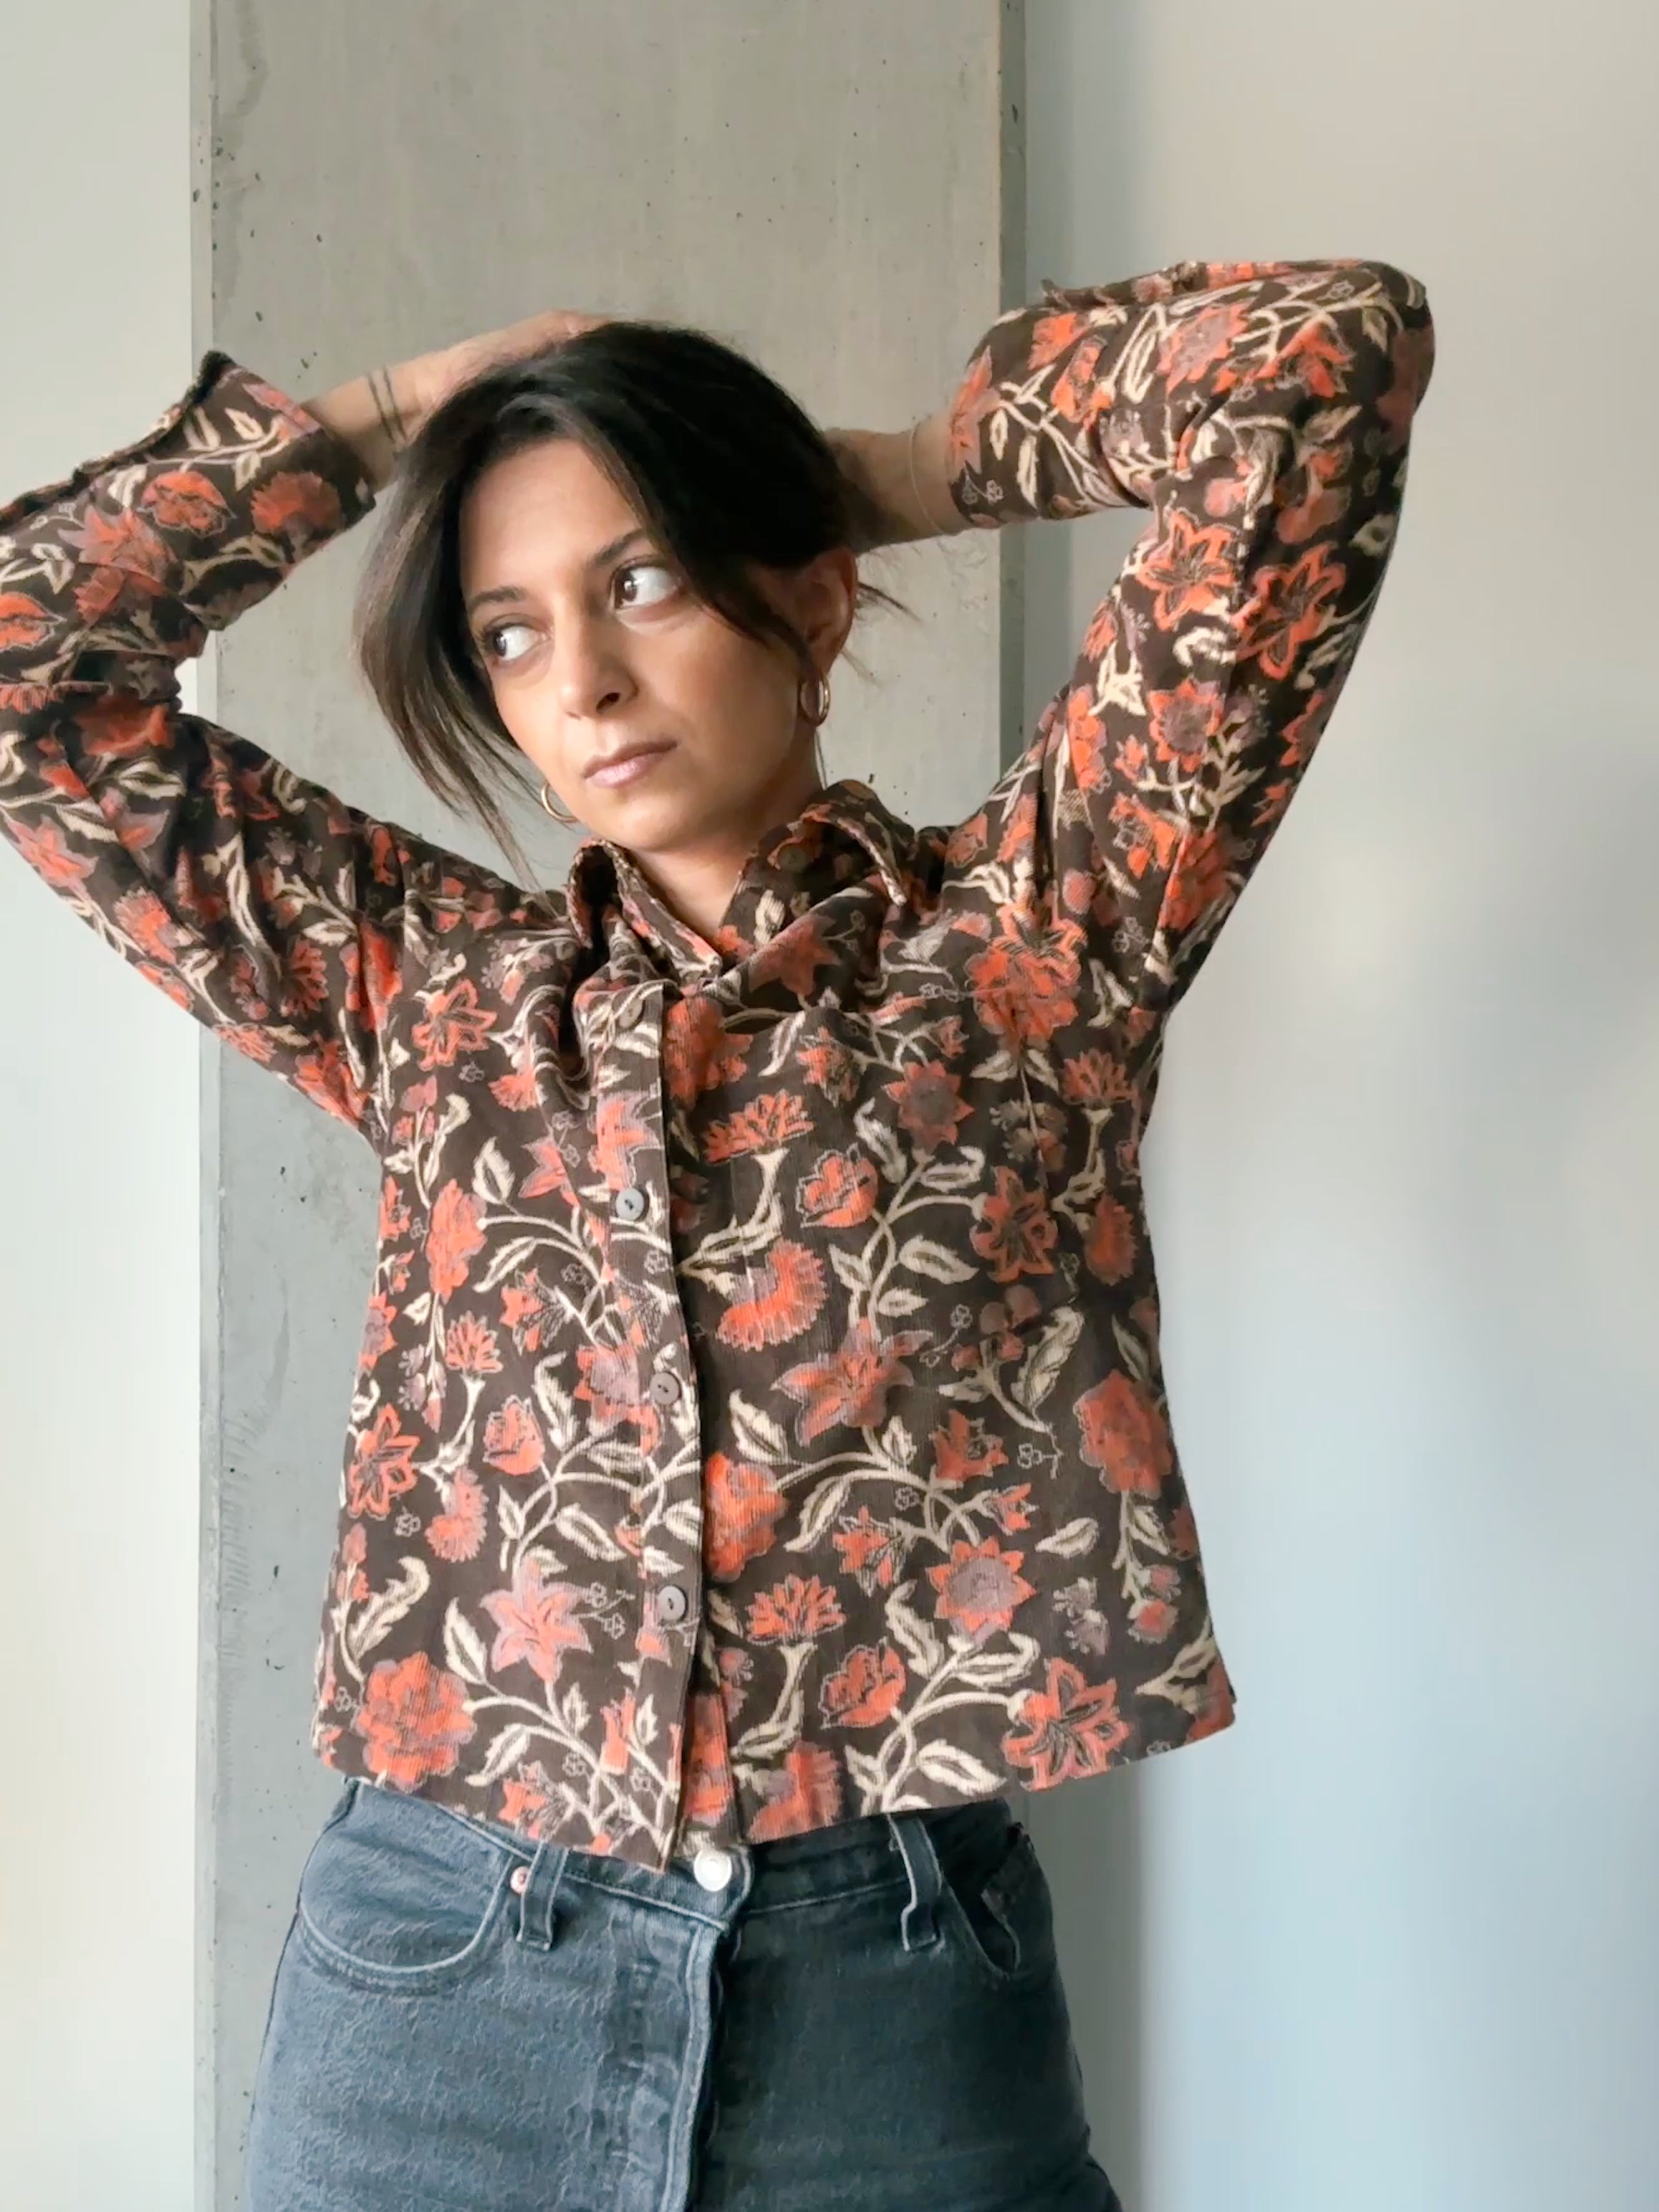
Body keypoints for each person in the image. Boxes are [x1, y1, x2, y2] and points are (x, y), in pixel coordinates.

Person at [0, 249, 1432, 2208]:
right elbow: (24, 662)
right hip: (438, 1969)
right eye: (507, 633)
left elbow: (1316, 359)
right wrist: (379, 427)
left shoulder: (1037, 944)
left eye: (644, 581)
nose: (579, 682)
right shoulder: (428, 992)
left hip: (893, 1984)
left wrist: (898, 474)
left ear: (809, 595)